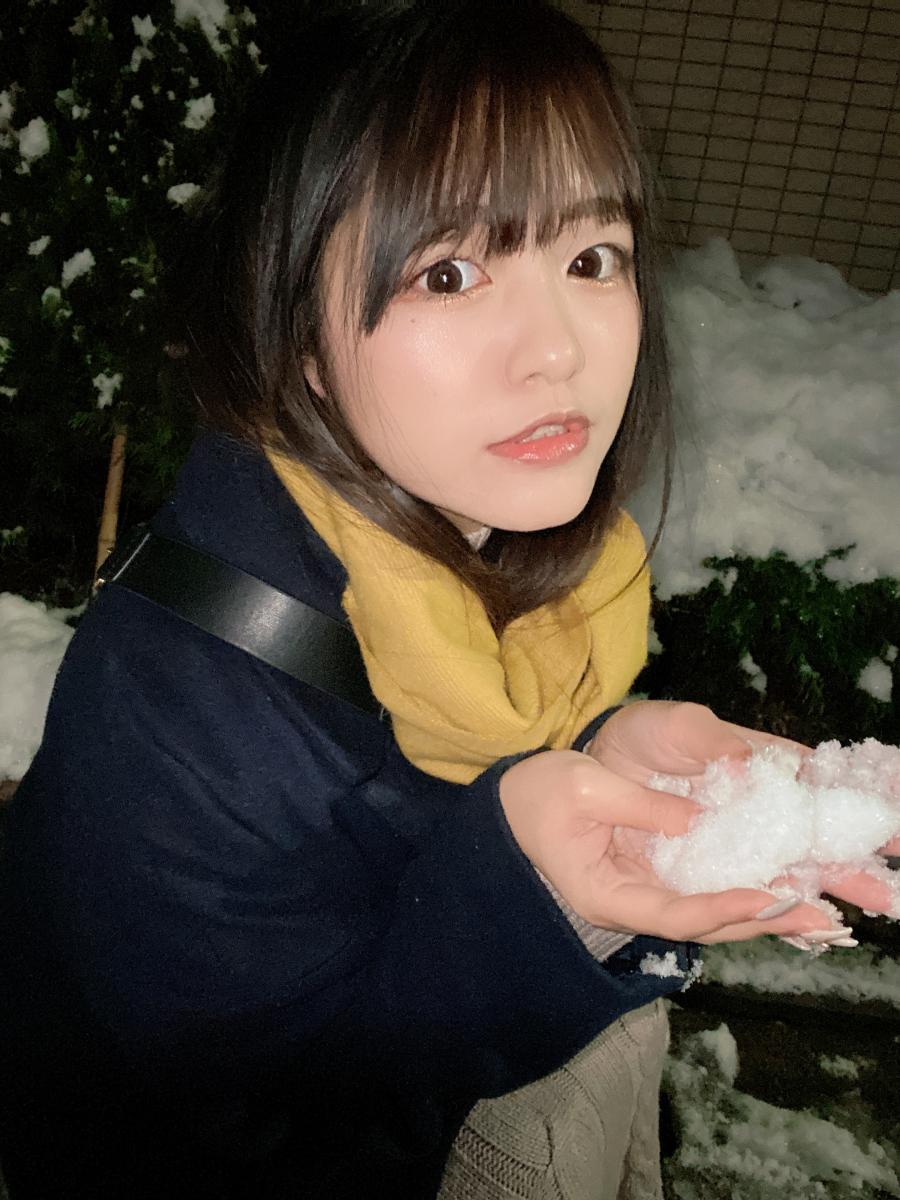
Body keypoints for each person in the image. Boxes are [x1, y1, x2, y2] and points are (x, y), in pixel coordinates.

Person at [1, 3, 894, 1197]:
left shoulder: (521, 573)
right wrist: (524, 900)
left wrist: (602, 762)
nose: (557, 350)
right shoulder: (185, 706)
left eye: (592, 259)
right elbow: (247, 1143)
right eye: (451, 272)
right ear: (296, 336)